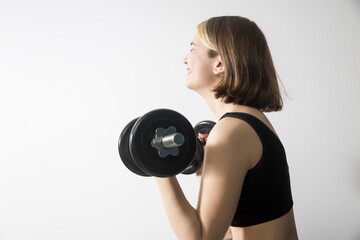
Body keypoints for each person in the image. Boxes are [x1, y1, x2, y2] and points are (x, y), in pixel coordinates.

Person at [155, 16, 298, 240]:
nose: (185, 59)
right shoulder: (248, 122)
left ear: (219, 64)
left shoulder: (231, 130)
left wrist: (158, 166)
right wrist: (204, 171)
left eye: (192, 49)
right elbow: (228, 234)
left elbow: (200, 238)